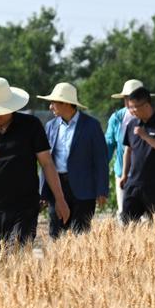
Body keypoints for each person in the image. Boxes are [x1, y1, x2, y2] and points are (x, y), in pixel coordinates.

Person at [0, 77, 70, 258]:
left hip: (25, 206)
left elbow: (47, 163)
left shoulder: (31, 126)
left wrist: (60, 199)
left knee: (17, 256)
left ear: (10, 107)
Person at [36, 82, 108, 237]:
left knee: (81, 235)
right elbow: (45, 161)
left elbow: (100, 159)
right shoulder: (50, 126)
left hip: (84, 189)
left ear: (66, 104)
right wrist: (43, 192)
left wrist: (102, 189)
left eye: (53, 103)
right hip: (57, 187)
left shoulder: (91, 126)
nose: (50, 107)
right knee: (56, 233)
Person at [118, 85, 155, 223]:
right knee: (127, 223)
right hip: (133, 184)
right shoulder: (131, 124)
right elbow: (128, 150)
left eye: (134, 107)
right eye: (130, 107)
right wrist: (124, 174)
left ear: (146, 105)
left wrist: (146, 137)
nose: (131, 111)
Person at [105, 80, 145, 215]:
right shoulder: (117, 118)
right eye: (126, 98)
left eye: (133, 98)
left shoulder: (151, 118)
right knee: (124, 213)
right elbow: (109, 145)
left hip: (145, 176)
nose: (129, 102)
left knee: (146, 217)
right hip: (122, 174)